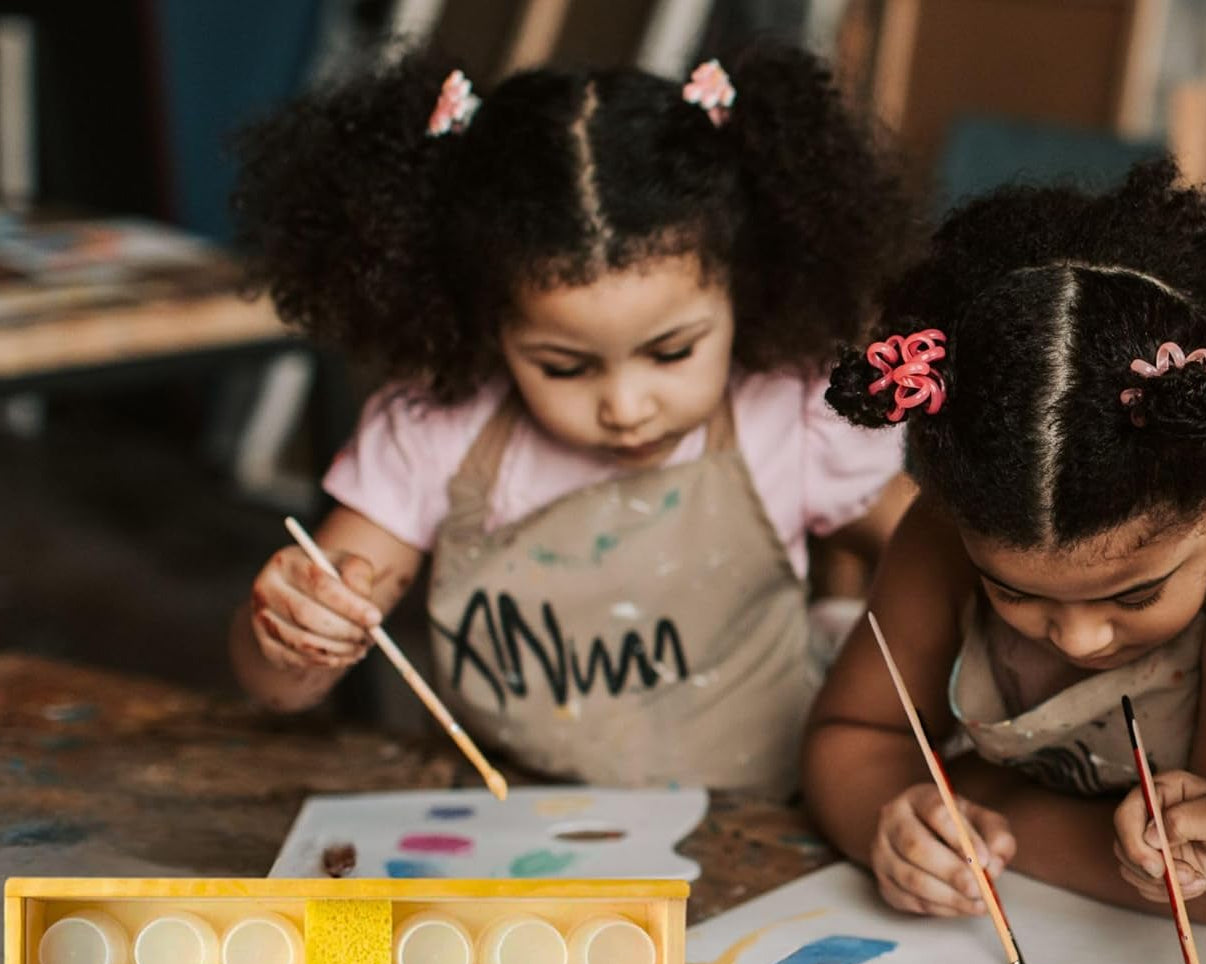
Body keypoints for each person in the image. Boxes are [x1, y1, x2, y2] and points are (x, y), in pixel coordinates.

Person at [230, 43, 911, 799]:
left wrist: (871, 657)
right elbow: (275, 694)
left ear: (746, 293)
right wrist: (294, 638)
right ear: (487, 326)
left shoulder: (786, 411)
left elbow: (931, 551)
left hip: (759, 828)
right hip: (511, 835)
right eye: (564, 367)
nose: (625, 407)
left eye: (672, 352)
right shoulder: (434, 433)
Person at [806, 159, 1206, 916]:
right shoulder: (940, 543)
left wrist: (993, 798)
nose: (1081, 638)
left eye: (1138, 592)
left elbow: (1200, 895)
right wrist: (890, 824)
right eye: (1013, 590)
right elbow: (851, 734)